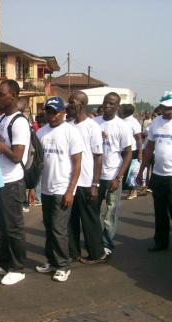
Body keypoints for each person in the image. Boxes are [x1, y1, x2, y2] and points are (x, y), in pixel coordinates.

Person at [31, 97, 83, 282]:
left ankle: (63, 265)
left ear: (63, 113)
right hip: (45, 188)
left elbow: (77, 164)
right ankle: (52, 261)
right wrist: (33, 187)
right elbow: (36, 163)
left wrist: (70, 191)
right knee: (49, 226)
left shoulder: (71, 132)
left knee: (59, 228)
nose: (51, 116)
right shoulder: (41, 133)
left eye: (55, 112)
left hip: (63, 188)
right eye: (48, 112)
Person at [0, 80, 30, 285]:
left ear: (13, 95)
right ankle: (3, 264)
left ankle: (17, 267)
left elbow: (16, 156)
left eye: (1, 95)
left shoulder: (19, 122)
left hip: (12, 182)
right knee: (3, 226)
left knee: (14, 227)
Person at [66, 91, 106, 264]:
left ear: (81, 104)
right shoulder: (68, 125)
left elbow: (98, 157)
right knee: (70, 221)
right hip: (70, 183)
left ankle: (97, 254)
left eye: (72, 102)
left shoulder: (92, 127)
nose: (69, 105)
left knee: (89, 220)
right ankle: (73, 252)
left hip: (86, 182)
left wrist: (95, 184)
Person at [137, 91, 172, 252]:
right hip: (158, 174)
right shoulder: (155, 122)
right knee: (160, 210)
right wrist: (141, 171)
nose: (169, 111)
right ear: (161, 107)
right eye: (166, 108)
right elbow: (149, 148)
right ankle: (161, 241)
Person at [94, 93, 132, 256]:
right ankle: (94, 240)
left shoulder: (122, 126)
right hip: (95, 177)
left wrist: (119, 177)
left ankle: (107, 243)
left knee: (110, 212)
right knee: (93, 211)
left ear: (117, 107)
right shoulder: (95, 123)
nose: (107, 106)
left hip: (112, 176)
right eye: (105, 102)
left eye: (111, 104)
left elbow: (128, 153)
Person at [119, 104, 142, 200]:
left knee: (131, 172)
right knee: (121, 171)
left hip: (132, 151)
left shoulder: (133, 122)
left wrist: (140, 153)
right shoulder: (119, 121)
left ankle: (133, 191)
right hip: (121, 150)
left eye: (120, 109)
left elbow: (139, 139)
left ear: (126, 112)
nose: (118, 111)